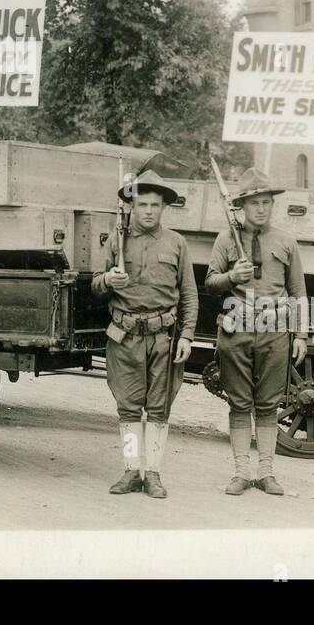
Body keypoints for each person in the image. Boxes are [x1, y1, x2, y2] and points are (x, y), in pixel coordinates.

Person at [91, 170, 198, 499]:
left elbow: (189, 295)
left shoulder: (177, 243)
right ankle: (130, 470)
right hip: (124, 336)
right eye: (142, 205)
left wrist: (187, 336)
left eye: (155, 205)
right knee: (127, 408)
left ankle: (152, 473)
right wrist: (108, 280)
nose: (149, 211)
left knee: (158, 409)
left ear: (164, 207)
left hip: (163, 338)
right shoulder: (116, 239)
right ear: (132, 207)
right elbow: (94, 286)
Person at [204, 168, 308, 496]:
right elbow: (209, 282)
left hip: (275, 330)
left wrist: (302, 334)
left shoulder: (286, 241)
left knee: (268, 404)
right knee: (239, 403)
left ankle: (266, 472)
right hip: (236, 329)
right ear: (242, 207)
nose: (261, 209)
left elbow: (298, 292)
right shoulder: (225, 239)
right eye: (254, 203)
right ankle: (240, 472)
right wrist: (232, 276)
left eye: (266, 202)